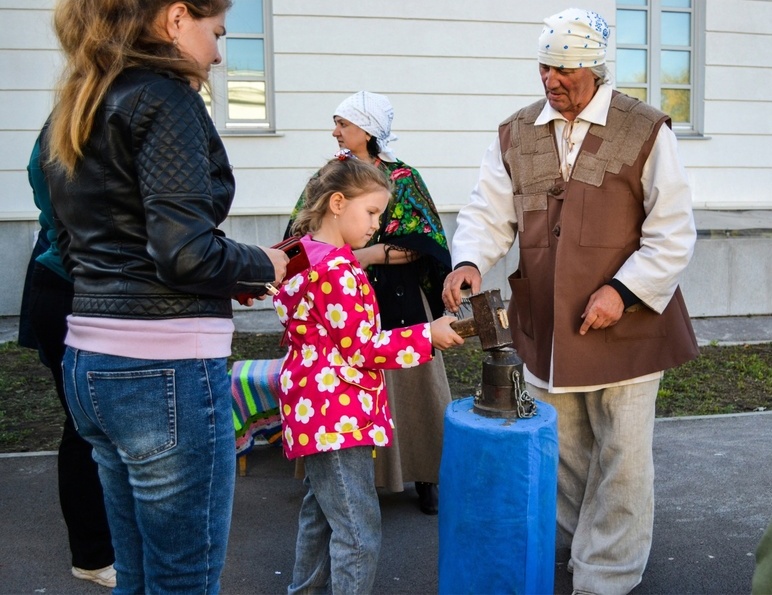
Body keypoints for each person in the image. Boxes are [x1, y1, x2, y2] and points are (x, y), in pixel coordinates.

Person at [442, 8, 699, 595]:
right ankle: (584, 549)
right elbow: (488, 212)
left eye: (565, 71)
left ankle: (606, 575)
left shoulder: (646, 128)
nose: (552, 81)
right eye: (544, 69)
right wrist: (469, 262)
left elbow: (674, 228)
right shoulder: (515, 130)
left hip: (627, 326)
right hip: (546, 327)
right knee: (565, 452)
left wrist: (624, 291)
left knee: (624, 459)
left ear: (596, 70)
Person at [42, 0, 288, 592]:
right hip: (163, 369)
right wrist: (265, 264)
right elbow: (184, 253)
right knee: (182, 579)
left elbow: (81, 246)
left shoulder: (81, 103)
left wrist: (230, 276)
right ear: (177, 19)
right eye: (217, 31)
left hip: (91, 364)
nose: (220, 52)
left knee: (138, 572)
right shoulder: (164, 97)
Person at [275, 154, 463, 594]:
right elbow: (363, 347)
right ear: (337, 203)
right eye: (372, 212)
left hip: (315, 409)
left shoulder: (303, 255)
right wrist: (428, 335)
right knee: (359, 532)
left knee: (320, 513)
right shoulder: (339, 270)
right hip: (338, 414)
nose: (377, 225)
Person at [286, 91, 453, 514]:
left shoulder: (403, 178)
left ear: (368, 130)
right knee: (346, 386)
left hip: (396, 300)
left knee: (413, 392)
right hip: (336, 300)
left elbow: (427, 241)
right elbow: (300, 232)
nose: (335, 130)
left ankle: (425, 475)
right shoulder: (329, 178)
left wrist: (367, 255)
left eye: (343, 123)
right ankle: (343, 486)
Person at [17, 128, 116, 588]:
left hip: (67, 284)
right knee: (84, 426)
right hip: (70, 287)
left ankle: (104, 543)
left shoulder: (78, 116)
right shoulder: (78, 121)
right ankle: (93, 554)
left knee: (91, 423)